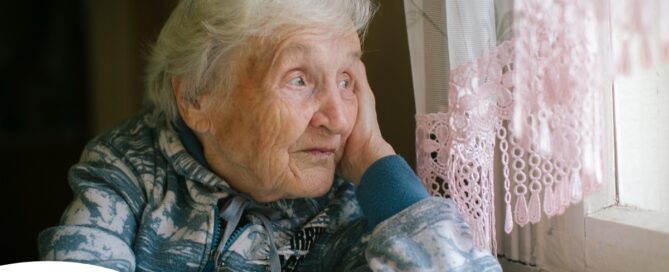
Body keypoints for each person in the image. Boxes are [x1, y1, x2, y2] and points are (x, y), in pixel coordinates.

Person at [38, 0, 502, 271]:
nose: (339, 119)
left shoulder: (350, 198)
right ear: (198, 97)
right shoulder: (128, 171)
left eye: (346, 80)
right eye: (298, 79)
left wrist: (377, 162)